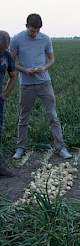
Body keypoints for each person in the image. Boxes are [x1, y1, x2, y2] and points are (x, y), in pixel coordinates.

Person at [10, 14, 72, 160]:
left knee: (53, 116)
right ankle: (20, 148)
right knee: (23, 117)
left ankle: (61, 148)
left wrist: (44, 67)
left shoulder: (45, 39)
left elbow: (52, 59)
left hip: (44, 82)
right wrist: (25, 70)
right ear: (26, 26)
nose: (35, 33)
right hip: (26, 84)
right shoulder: (17, 39)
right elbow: (11, 62)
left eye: (37, 31)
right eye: (32, 31)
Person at [0, 31, 17, 177]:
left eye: (4, 47)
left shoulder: (6, 55)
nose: (2, 50)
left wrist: (5, 94)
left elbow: (13, 76)